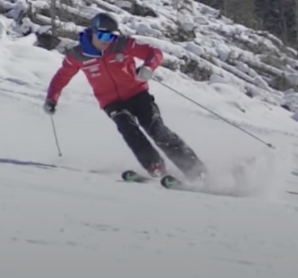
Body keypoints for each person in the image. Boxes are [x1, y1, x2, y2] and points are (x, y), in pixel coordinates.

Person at [43, 12, 206, 180]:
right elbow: (61, 77)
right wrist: (51, 99)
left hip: (138, 95)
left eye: (111, 36)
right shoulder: (78, 55)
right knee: (129, 130)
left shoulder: (122, 44)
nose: (107, 40)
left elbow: (154, 52)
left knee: (157, 131)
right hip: (112, 102)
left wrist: (148, 67)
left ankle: (195, 170)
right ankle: (154, 166)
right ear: (93, 32)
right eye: (103, 36)